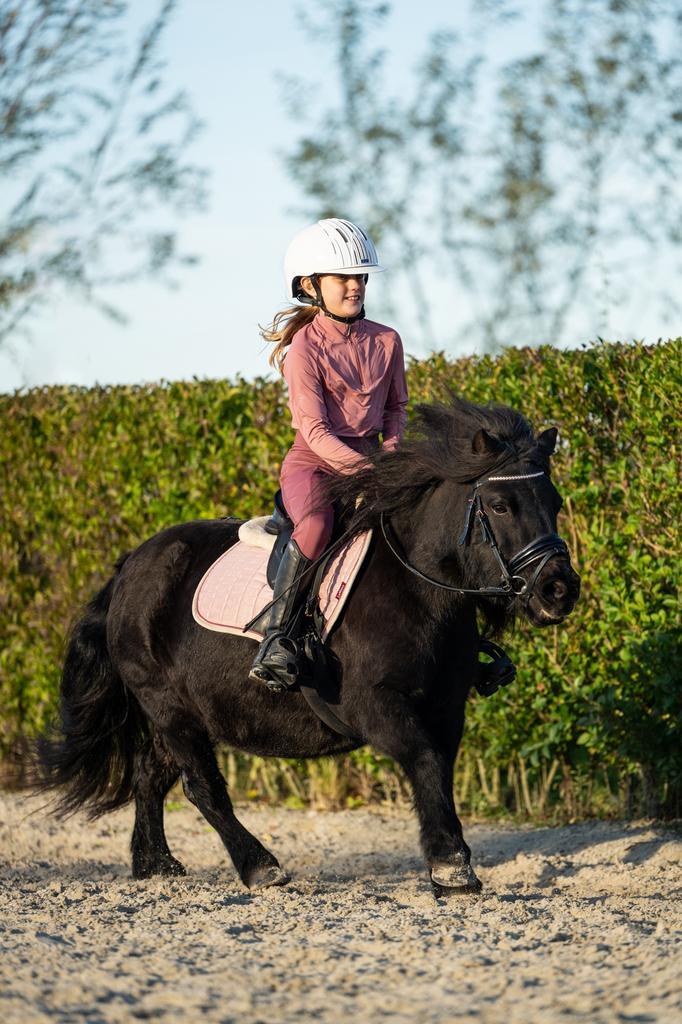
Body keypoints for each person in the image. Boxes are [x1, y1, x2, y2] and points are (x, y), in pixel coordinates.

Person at [249, 218, 408, 692]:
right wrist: (368, 474)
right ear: (311, 286)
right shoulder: (303, 348)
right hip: (314, 466)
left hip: (374, 467)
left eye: (360, 277)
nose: (355, 285)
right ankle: (275, 636)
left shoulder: (388, 340)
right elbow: (315, 433)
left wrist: (394, 460)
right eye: (343, 277)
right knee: (317, 527)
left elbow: (397, 409)